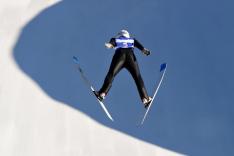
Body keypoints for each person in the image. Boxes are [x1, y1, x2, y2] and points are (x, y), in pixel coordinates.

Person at [95, 30, 152, 108]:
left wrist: (110, 45)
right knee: (137, 77)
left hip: (119, 55)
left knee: (111, 73)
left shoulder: (116, 39)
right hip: (131, 57)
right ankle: (145, 98)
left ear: (119, 35)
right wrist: (143, 50)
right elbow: (137, 44)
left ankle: (102, 93)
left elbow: (112, 43)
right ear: (127, 35)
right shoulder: (131, 40)